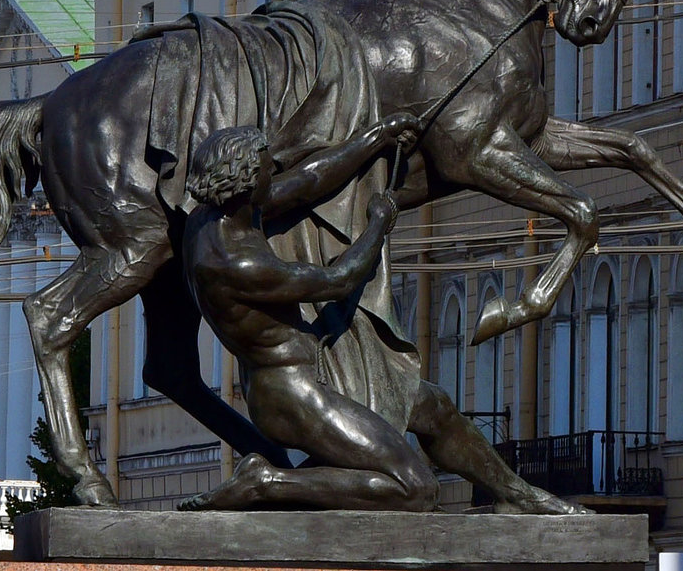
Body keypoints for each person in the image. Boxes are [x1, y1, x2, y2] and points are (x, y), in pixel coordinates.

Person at [179, 118, 589, 514]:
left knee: (432, 406)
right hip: (293, 393)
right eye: (269, 167)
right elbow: (339, 279)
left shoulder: (210, 220)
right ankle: (266, 483)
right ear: (247, 180)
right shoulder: (237, 263)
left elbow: (307, 183)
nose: (276, 172)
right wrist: (378, 222)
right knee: (414, 488)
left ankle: (517, 495)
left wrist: (376, 137)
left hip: (315, 367)